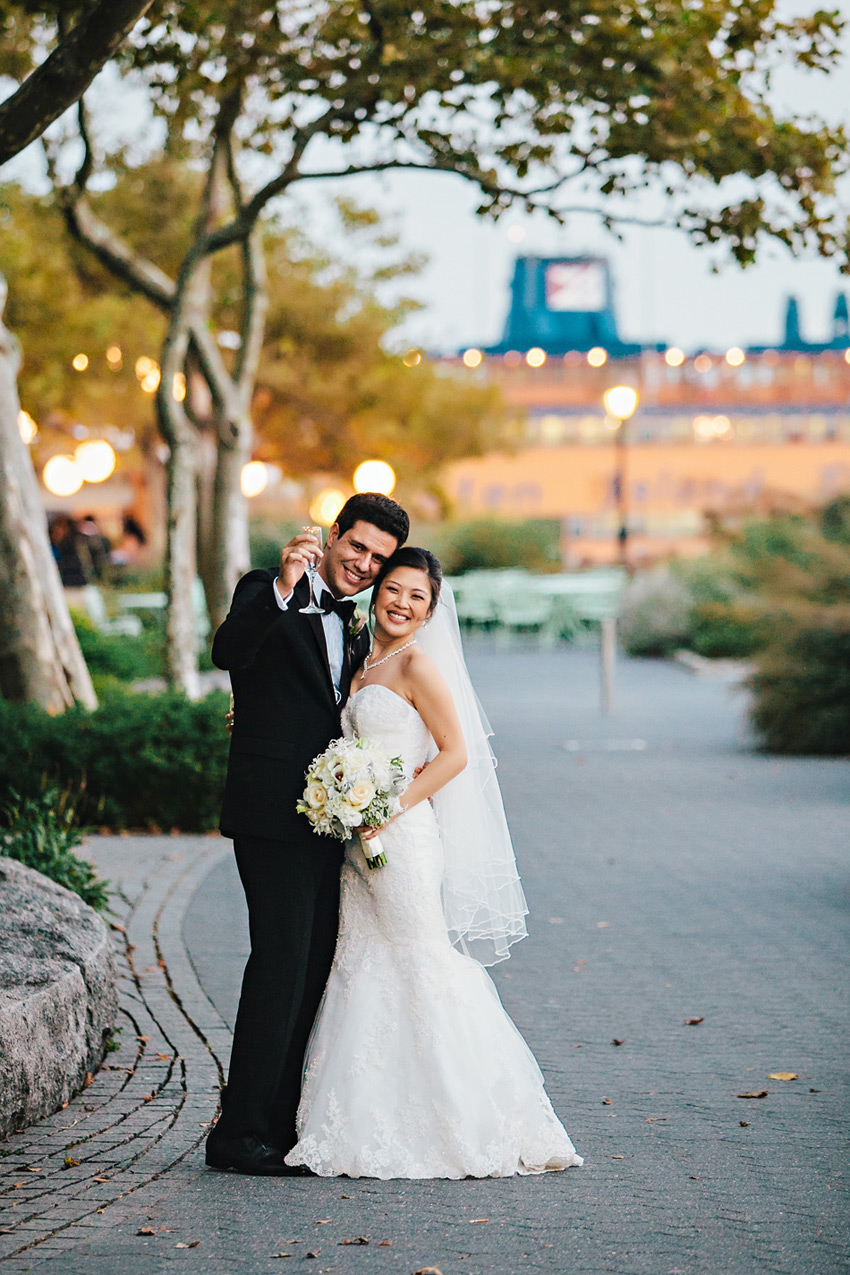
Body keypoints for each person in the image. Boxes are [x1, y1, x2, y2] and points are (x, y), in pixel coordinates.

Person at [285, 547, 583, 1178]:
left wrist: (388, 806)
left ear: (431, 609)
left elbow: (454, 754)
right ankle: (369, 1115)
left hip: (401, 838)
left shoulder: (419, 664)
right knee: (362, 963)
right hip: (355, 841)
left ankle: (468, 1115)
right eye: (393, 589)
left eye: (416, 596)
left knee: (419, 960)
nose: (401, 603)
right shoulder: (366, 658)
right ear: (378, 591)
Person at [205, 493, 410, 1176]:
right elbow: (228, 649)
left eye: (378, 559)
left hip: (327, 819)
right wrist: (287, 586)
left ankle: (279, 1121)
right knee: (279, 963)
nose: (363, 565)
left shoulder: (356, 624)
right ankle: (236, 1134)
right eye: (357, 547)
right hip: (269, 814)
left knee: (313, 966)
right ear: (331, 536)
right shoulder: (268, 589)